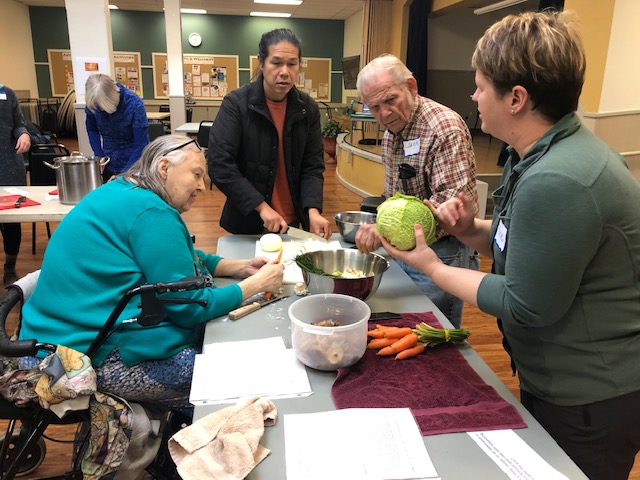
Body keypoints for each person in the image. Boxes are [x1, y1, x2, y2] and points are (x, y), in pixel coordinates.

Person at [380, 11, 640, 480]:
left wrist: (432, 268)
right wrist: (467, 230)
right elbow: (517, 242)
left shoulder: (559, 178)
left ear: (516, 98)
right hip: (556, 381)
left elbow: (526, 301)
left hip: (591, 397)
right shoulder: (536, 158)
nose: (474, 96)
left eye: (480, 86)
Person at [18, 134, 284, 409]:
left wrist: (240, 267)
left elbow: (174, 255)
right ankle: (173, 440)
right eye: (196, 174)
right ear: (164, 168)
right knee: (224, 376)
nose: (203, 186)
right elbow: (190, 310)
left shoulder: (121, 191)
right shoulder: (151, 213)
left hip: (48, 337)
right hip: (82, 355)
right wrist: (255, 284)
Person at [354, 54, 478, 328]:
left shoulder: (444, 129)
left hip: (443, 253)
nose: (384, 114)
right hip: (405, 251)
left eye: (390, 100)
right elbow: (392, 199)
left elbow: (450, 210)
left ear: (411, 87)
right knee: (408, 328)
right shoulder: (391, 132)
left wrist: (385, 229)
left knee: (434, 331)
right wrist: (379, 224)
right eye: (374, 107)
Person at [207, 28, 331, 238]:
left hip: (290, 223)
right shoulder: (236, 104)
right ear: (261, 62)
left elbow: (312, 166)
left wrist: (312, 210)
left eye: (292, 64)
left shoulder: (307, 109)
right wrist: (262, 207)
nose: (284, 71)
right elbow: (220, 164)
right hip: (248, 221)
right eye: (276, 62)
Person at [85, 73, 149, 181]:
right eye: (97, 106)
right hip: (108, 162)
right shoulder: (94, 103)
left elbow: (141, 144)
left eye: (101, 106)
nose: (99, 109)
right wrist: (99, 155)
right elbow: (92, 129)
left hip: (134, 164)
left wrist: (124, 174)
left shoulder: (134, 104)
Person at [0, 83, 30, 286]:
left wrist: (23, 134)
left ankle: (9, 267)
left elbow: (18, 124)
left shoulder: (7, 93)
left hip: (8, 166)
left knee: (11, 222)